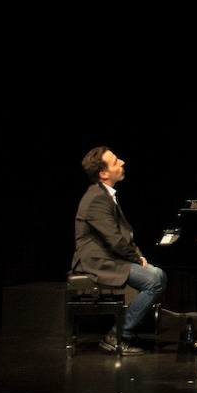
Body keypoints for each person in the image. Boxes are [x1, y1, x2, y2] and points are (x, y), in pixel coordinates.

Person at [73, 146, 166, 355]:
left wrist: (140, 257)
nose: (122, 162)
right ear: (103, 173)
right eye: (115, 162)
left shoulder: (104, 194)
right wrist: (137, 259)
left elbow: (122, 235)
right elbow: (114, 240)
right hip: (97, 262)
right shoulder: (96, 198)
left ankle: (124, 331)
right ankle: (117, 336)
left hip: (110, 258)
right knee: (156, 279)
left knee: (157, 275)